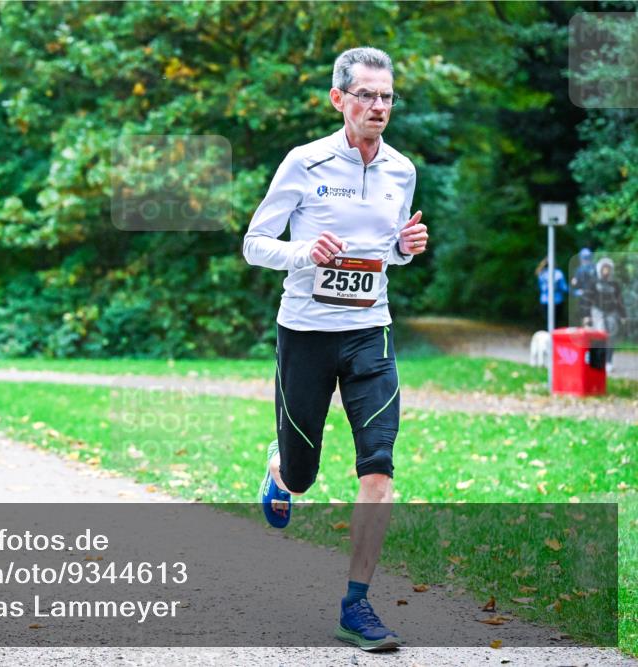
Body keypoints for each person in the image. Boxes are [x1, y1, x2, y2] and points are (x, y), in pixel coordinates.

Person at [243, 46, 427, 652]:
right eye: (366, 94)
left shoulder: (401, 169)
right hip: (305, 334)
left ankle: (356, 604)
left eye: (386, 96)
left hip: (371, 331)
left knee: (378, 466)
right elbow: (254, 243)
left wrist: (404, 247)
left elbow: (388, 251)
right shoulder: (305, 162)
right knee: (302, 476)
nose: (378, 106)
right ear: (338, 99)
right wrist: (304, 252)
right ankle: (279, 470)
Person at [589, 257, 626, 373]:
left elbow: (619, 300)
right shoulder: (594, 282)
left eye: (608, 268)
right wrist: (586, 315)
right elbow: (587, 299)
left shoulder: (615, 284)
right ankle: (598, 361)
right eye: (604, 268)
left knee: (611, 337)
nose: (606, 270)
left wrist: (623, 314)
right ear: (600, 269)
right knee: (600, 335)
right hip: (598, 312)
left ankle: (608, 362)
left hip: (612, 312)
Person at [535, 257, 568, 328]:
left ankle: (549, 333)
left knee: (548, 322)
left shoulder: (541, 273)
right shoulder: (558, 273)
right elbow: (564, 288)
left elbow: (540, 287)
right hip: (557, 301)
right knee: (556, 322)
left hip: (544, 301)